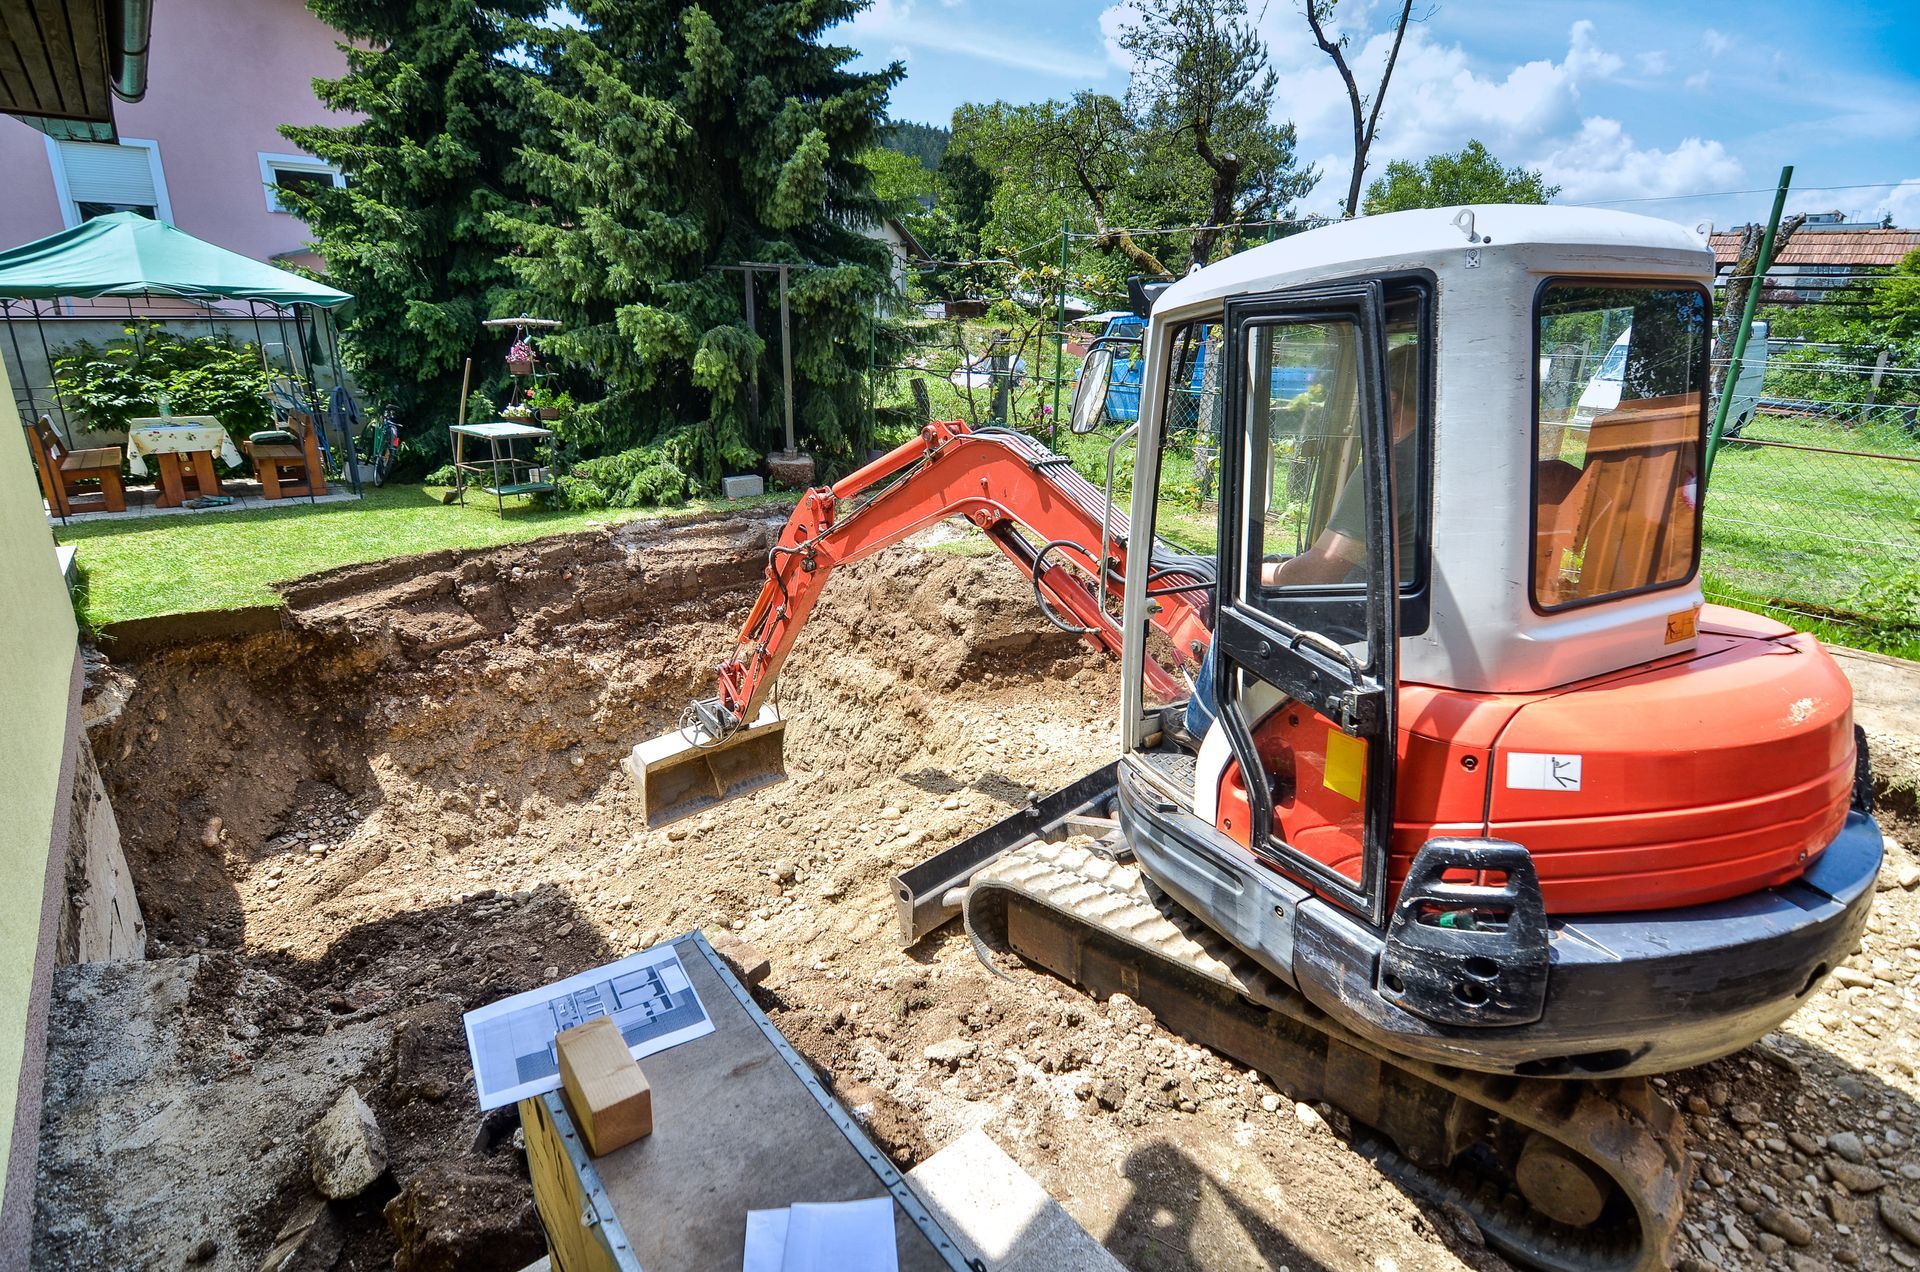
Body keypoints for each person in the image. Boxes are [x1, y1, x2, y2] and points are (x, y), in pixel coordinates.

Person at [1183, 342, 1420, 742]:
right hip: (1394, 605)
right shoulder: (1430, 459)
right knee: (1273, 563)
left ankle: (1201, 726)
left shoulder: (1389, 466)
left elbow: (1321, 570)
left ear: (1390, 401)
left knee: (1242, 598)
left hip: (1367, 618)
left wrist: (1251, 575)